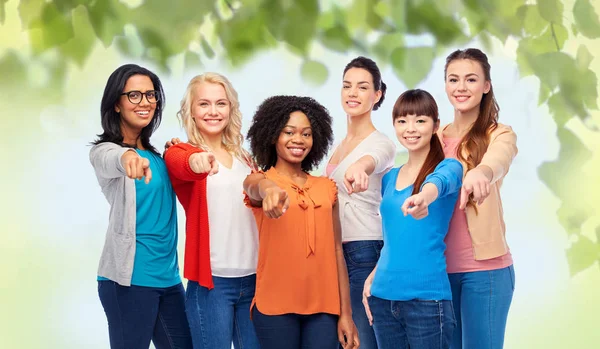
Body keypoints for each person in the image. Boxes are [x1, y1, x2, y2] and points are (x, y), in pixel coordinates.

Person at [243, 95, 359, 349]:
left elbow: (337, 250)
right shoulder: (261, 180)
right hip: (275, 306)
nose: (298, 139)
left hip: (324, 308)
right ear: (273, 135)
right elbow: (252, 187)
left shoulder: (326, 187)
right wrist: (268, 190)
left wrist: (346, 314)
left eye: (306, 134)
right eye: (289, 132)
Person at [89, 64, 192, 349]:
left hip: (169, 280)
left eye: (150, 95)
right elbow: (113, 159)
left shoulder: (158, 155)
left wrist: (179, 152)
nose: (145, 102)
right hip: (128, 281)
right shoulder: (105, 151)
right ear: (117, 104)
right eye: (134, 95)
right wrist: (128, 159)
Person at [164, 73, 260, 349]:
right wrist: (198, 160)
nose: (213, 111)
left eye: (221, 103)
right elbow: (183, 163)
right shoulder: (182, 150)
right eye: (204, 104)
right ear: (191, 112)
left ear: (231, 109)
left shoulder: (246, 159)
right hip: (212, 285)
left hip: (253, 282)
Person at [362, 89, 463, 349]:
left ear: (435, 125)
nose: (411, 128)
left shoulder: (448, 167)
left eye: (420, 120)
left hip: (427, 304)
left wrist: (423, 197)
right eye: (402, 121)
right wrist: (372, 277)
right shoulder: (388, 178)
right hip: (383, 299)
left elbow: (439, 183)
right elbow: (393, 240)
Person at [441, 48, 517, 349]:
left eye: (471, 79)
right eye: (453, 79)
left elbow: (499, 159)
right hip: (437, 272)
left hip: (485, 272)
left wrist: (481, 172)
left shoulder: (499, 134)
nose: (461, 87)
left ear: (486, 85)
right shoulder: (432, 136)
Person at [326, 56, 396, 349]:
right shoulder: (337, 145)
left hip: (364, 251)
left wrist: (361, 168)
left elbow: (373, 160)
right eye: (347, 86)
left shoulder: (381, 143)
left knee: (362, 341)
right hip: (336, 254)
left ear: (377, 95)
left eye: (362, 87)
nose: (353, 93)